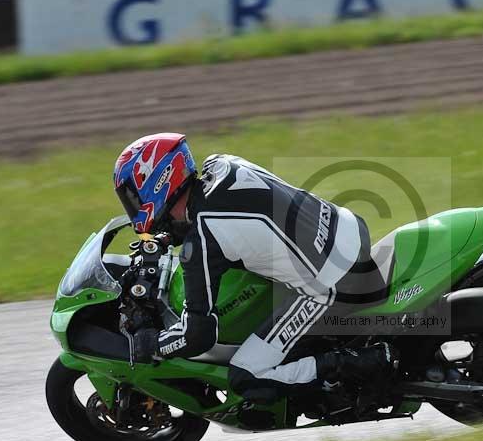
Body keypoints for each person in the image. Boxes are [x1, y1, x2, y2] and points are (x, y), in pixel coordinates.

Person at [113, 133, 397, 402]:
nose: (133, 206)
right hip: (347, 227)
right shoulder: (222, 163)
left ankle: (363, 362)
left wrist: (153, 345)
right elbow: (235, 211)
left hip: (334, 283)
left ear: (158, 182)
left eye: (133, 196)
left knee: (247, 377)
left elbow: (197, 335)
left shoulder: (202, 240)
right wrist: (169, 236)